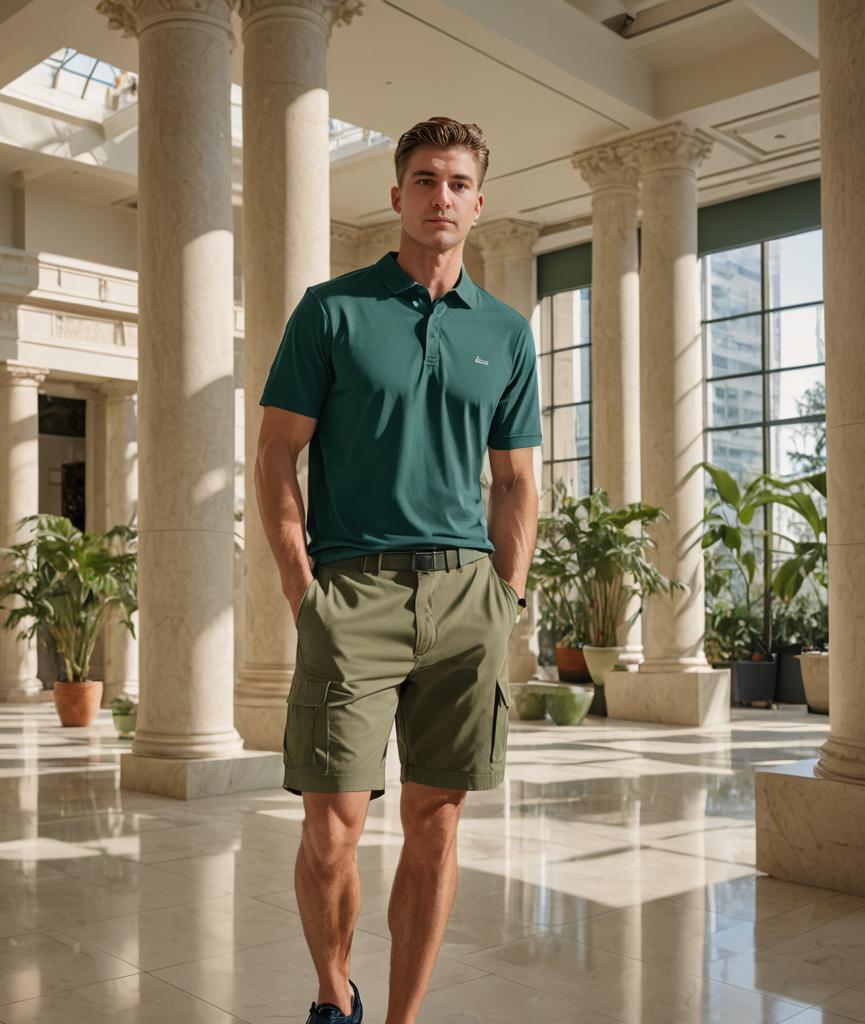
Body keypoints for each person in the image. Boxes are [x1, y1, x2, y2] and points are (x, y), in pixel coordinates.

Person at [255, 115, 542, 1024]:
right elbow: (274, 459)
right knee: (330, 828)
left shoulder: (506, 330)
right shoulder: (332, 310)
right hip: (354, 591)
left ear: (479, 202)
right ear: (397, 196)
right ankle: (333, 996)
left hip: (467, 596)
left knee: (436, 823)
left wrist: (507, 598)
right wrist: (308, 595)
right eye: (425, 180)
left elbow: (516, 480)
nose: (441, 196)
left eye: (458, 183)